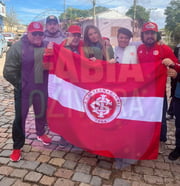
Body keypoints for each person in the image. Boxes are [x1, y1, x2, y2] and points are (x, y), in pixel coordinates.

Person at [3, 22, 51, 162]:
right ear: (28, 33)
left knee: (41, 113)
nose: (37, 36)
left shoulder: (46, 44)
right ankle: (17, 147)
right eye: (34, 33)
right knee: (20, 118)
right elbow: (8, 72)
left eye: (40, 33)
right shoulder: (17, 47)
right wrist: (23, 85)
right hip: (24, 91)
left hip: (41, 88)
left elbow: (61, 55)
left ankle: (40, 133)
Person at [137, 22, 178, 154]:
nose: (149, 36)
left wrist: (173, 66)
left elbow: (176, 64)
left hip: (159, 91)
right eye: (147, 33)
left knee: (160, 117)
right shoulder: (140, 49)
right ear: (143, 35)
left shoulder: (164, 49)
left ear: (156, 34)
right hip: (143, 91)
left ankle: (161, 139)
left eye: (152, 33)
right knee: (145, 115)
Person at [162, 52, 180, 160]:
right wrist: (175, 75)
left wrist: (175, 67)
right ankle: (178, 148)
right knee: (179, 126)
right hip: (178, 96)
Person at [166, 43, 180, 120]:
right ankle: (171, 112)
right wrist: (172, 65)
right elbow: (174, 60)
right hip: (176, 77)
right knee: (174, 94)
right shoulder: (178, 47)